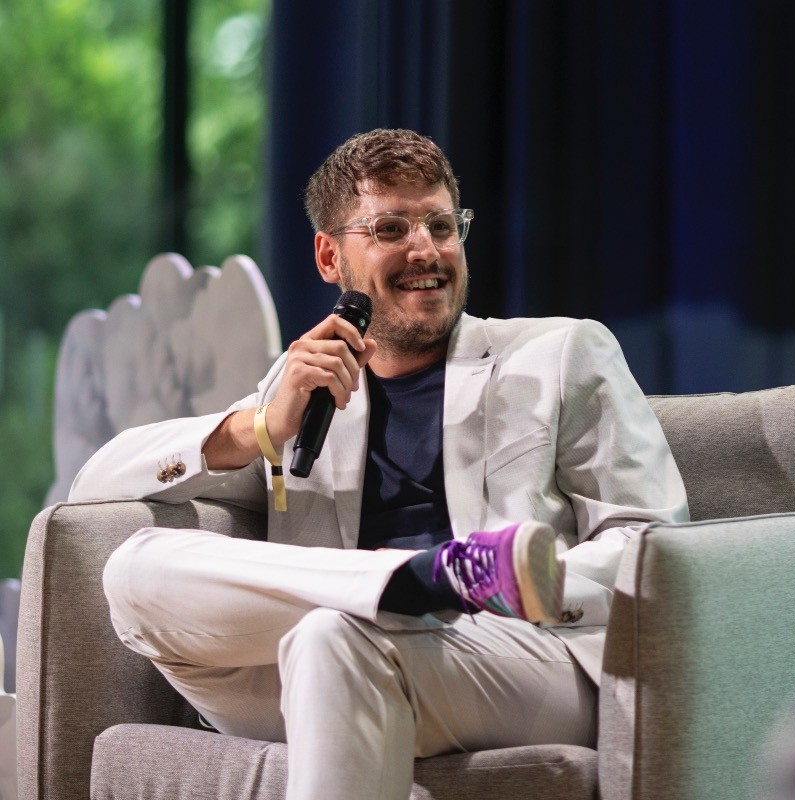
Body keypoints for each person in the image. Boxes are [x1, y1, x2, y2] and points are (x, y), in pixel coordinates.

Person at [70, 128, 688, 800]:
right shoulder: (304, 391)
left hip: (515, 657)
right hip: (323, 657)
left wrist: (539, 581)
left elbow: (653, 547)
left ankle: (439, 583)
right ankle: (417, 580)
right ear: (329, 256)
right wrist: (260, 427)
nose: (426, 249)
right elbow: (96, 483)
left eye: (441, 226)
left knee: (334, 638)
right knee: (133, 568)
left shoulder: (559, 354)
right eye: (391, 228)